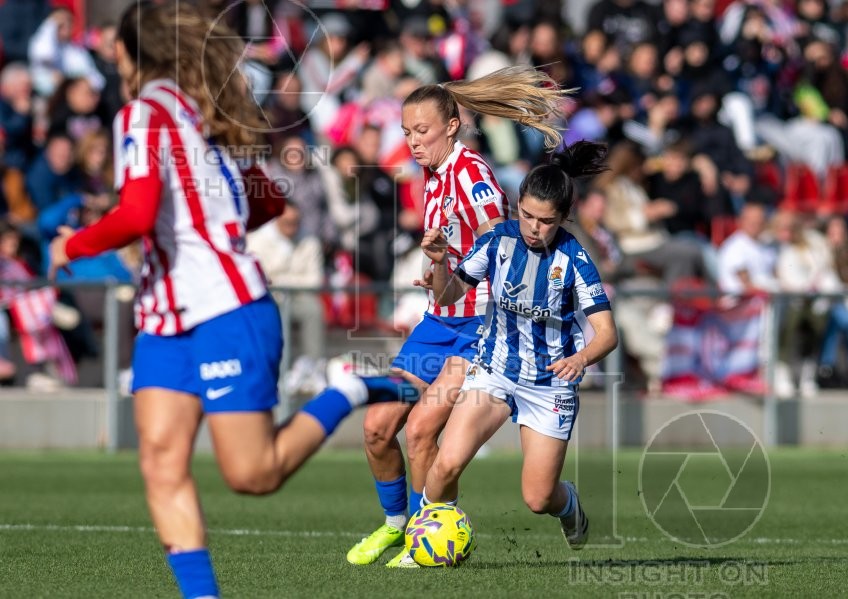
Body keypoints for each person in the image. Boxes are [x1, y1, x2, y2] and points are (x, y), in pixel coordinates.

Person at [46, 3, 392, 598]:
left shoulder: (144, 114)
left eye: (115, 47)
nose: (110, 55)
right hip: (165, 317)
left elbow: (133, 214)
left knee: (253, 474)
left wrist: (69, 247)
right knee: (159, 460)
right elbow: (268, 204)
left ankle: (353, 387)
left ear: (134, 53)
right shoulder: (201, 113)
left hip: (226, 311)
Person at [339, 66, 570, 568]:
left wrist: (469, 269)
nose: (412, 142)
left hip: (479, 326)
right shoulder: (434, 172)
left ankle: (436, 537)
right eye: (406, 133)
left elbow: (500, 233)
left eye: (421, 132)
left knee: (421, 430)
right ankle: (396, 527)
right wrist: (440, 266)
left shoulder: (470, 172)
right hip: (439, 321)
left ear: (451, 126)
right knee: (378, 428)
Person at [418, 141, 618, 549]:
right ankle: (418, 544)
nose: (533, 227)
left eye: (545, 220)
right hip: (494, 369)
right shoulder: (497, 241)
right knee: (445, 465)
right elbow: (448, 295)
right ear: (517, 206)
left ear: (563, 218)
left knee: (538, 498)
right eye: (526, 214)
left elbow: (607, 333)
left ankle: (570, 505)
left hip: (548, 385)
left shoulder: (575, 259)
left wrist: (581, 358)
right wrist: (439, 264)